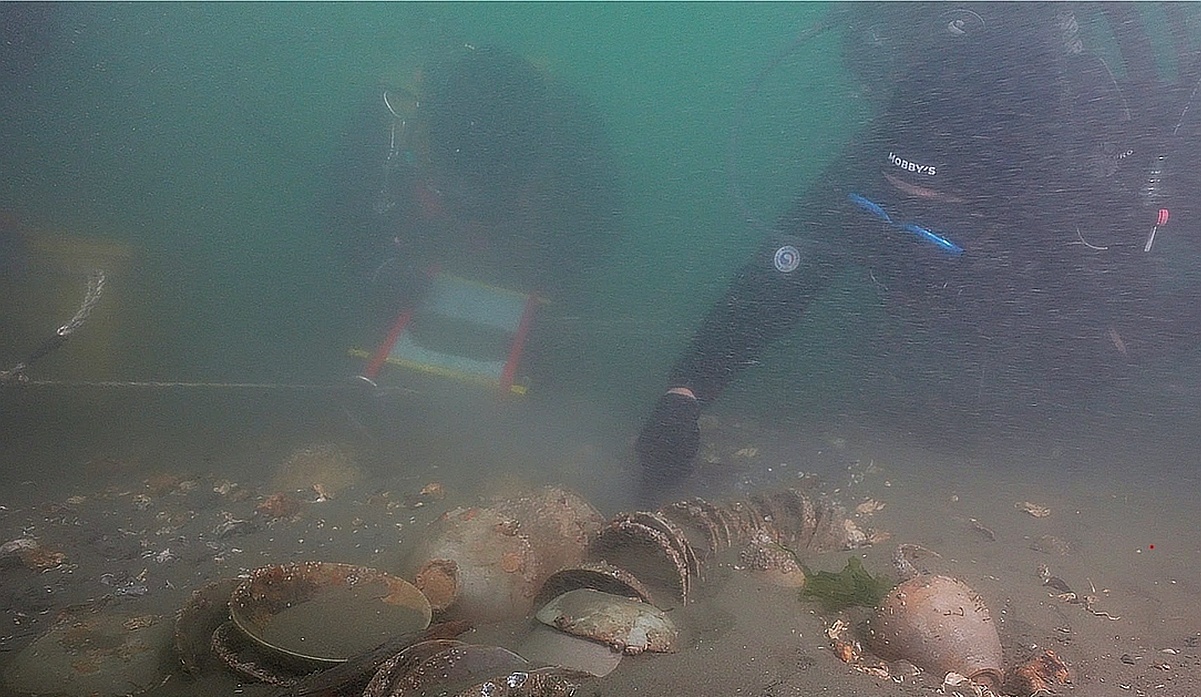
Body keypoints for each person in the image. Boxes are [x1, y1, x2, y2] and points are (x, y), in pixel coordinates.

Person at [635, 3, 1201, 505]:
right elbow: (772, 284)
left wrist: (1127, 336)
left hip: (1045, 300)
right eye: (892, 199)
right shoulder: (870, 169)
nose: (902, 230)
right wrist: (686, 391)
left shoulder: (1069, 209)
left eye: (934, 219)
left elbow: (1133, 328)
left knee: (1094, 364)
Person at [323, 45, 620, 340]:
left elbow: (597, 231)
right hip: (421, 244)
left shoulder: (574, 138)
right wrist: (380, 266)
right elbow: (340, 207)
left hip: (525, 254)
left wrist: (555, 289)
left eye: (491, 196)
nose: (470, 211)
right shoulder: (393, 115)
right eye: (456, 190)